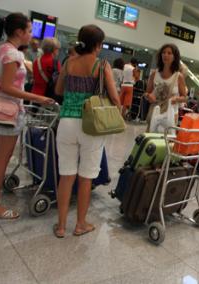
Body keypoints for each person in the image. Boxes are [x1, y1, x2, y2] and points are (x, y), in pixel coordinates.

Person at [53, 24, 120, 238]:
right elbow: (115, 98)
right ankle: (80, 224)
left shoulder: (69, 63)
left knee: (66, 176)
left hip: (66, 124)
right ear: (98, 45)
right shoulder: (101, 66)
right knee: (85, 178)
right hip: (91, 125)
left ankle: (61, 226)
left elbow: (58, 90)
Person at [0, 13, 54, 219]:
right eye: (29, 31)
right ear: (19, 32)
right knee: (1, 160)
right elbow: (8, 87)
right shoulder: (14, 54)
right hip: (7, 112)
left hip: (0, 110)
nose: (31, 35)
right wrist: (37, 98)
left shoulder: (1, 49)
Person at [145, 43, 187, 132]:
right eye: (163, 52)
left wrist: (176, 99)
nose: (165, 55)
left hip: (170, 115)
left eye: (169, 53)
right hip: (154, 113)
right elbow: (146, 93)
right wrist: (149, 96)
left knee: (166, 141)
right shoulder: (154, 74)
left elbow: (184, 97)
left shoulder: (178, 77)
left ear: (175, 56)